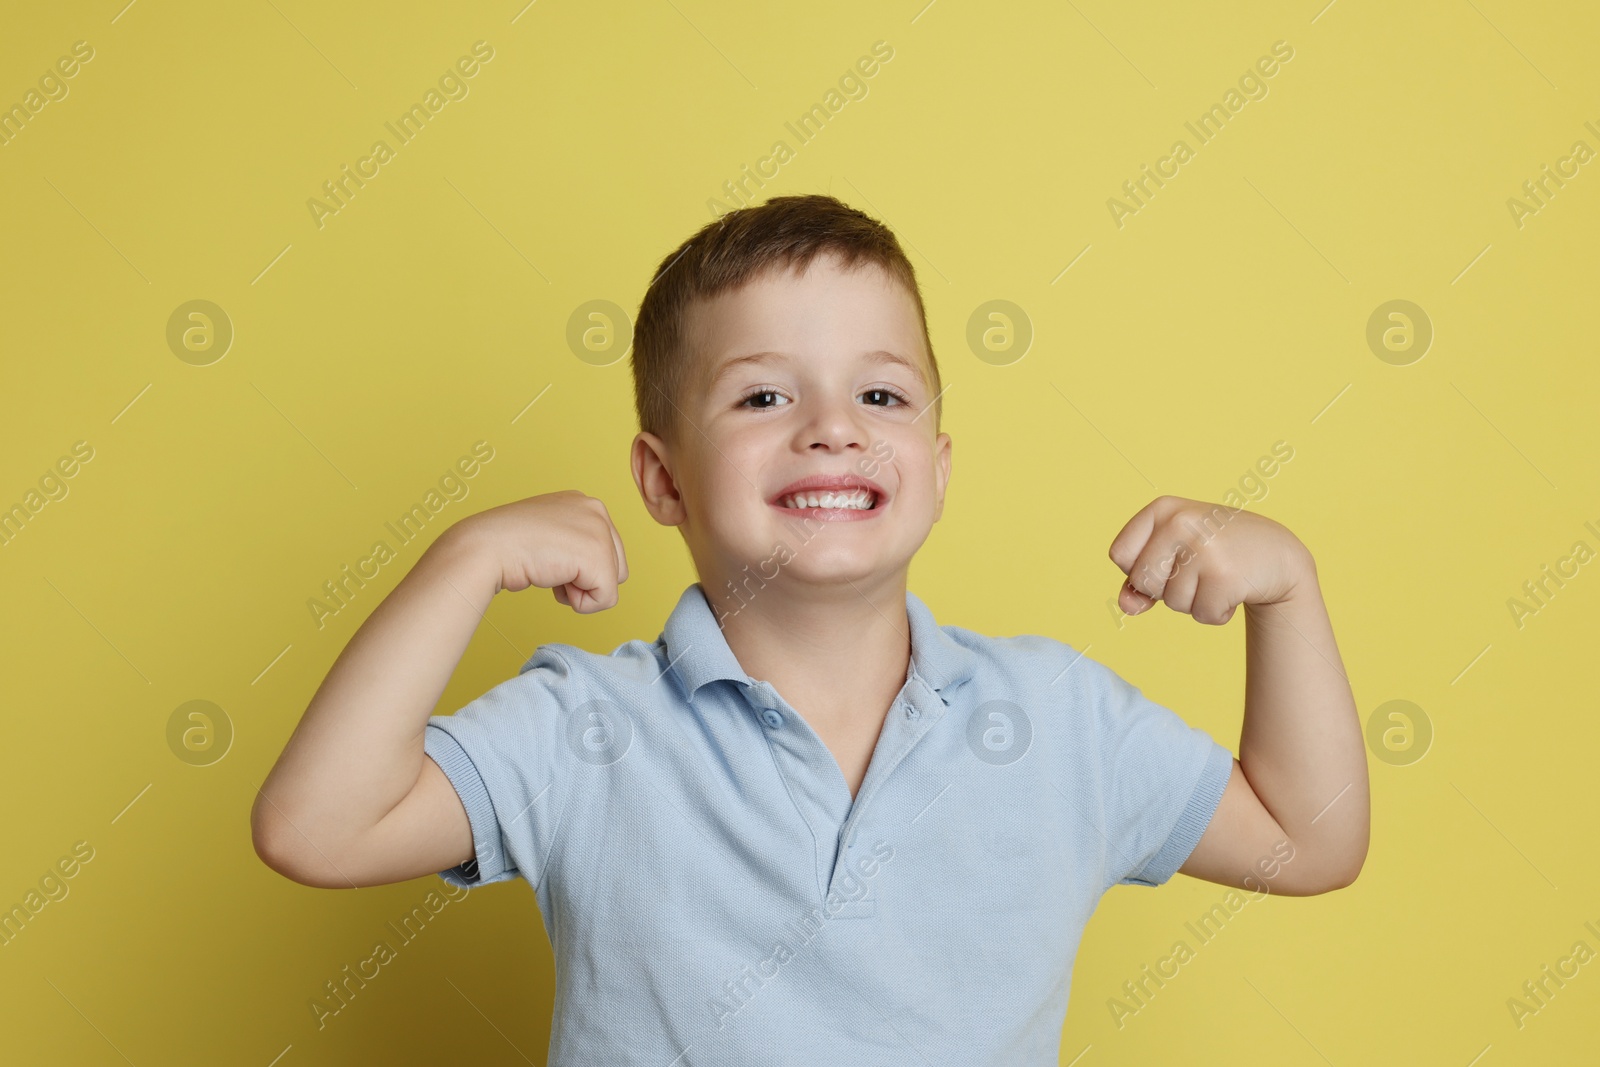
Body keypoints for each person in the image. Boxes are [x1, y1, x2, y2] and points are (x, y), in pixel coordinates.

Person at [251, 194, 1369, 1064]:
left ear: (937, 466)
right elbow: (316, 828)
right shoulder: (585, 727)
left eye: (880, 396)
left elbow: (1307, 838)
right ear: (662, 477)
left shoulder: (1057, 719)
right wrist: (464, 561)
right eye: (762, 397)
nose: (833, 428)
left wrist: (1289, 593)